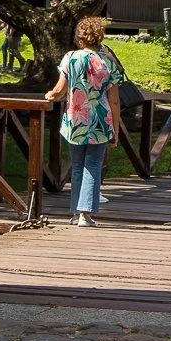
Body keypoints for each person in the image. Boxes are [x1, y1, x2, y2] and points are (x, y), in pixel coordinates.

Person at [44, 15, 122, 227]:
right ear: (99, 39)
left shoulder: (70, 58)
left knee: (77, 166)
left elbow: (60, 90)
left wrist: (50, 95)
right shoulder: (108, 62)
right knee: (93, 165)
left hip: (75, 120)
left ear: (79, 39)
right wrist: (115, 130)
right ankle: (85, 215)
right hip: (100, 122)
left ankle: (76, 212)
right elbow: (114, 101)